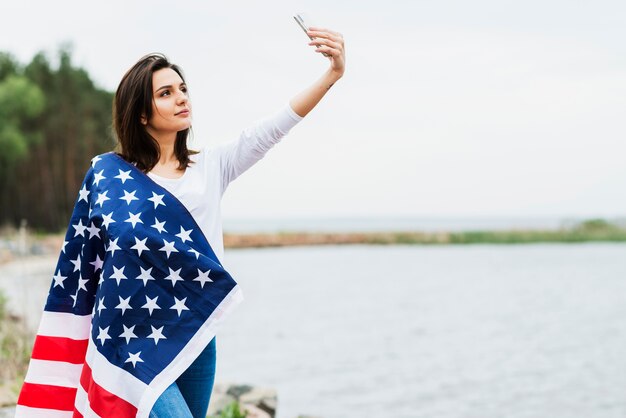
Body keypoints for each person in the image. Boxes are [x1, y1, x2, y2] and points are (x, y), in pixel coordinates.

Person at [15, 27, 345, 418]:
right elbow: (82, 264)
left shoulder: (211, 167)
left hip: (193, 332)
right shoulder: (108, 177)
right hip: (133, 339)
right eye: (165, 93)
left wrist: (332, 75)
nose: (181, 98)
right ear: (141, 112)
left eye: (182, 88)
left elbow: (273, 128)